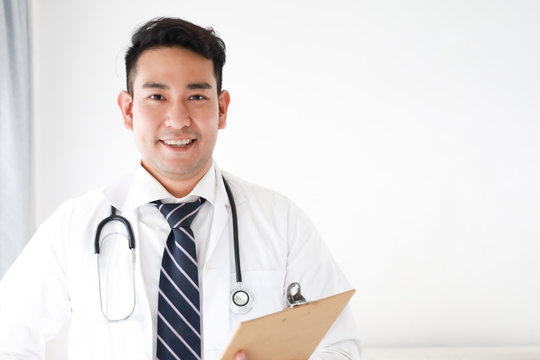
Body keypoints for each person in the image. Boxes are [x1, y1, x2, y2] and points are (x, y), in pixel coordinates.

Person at [0, 17, 361, 359]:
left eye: (197, 97)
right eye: (157, 97)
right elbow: (8, 340)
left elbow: (341, 347)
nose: (177, 120)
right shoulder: (73, 226)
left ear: (221, 109)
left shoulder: (281, 222)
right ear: (128, 110)